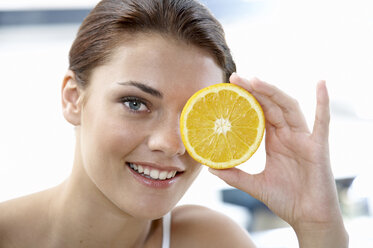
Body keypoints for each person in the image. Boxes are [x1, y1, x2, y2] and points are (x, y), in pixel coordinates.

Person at [0, 0, 348, 247]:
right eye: (135, 103)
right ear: (73, 98)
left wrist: (319, 227)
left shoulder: (211, 241)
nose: (171, 143)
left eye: (194, 116)